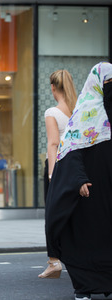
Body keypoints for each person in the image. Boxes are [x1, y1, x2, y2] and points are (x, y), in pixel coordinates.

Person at [46, 62, 112, 300]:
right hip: (88, 191)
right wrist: (79, 180)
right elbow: (71, 150)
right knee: (85, 239)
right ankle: (83, 287)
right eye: (108, 84)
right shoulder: (84, 115)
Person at [39, 69, 77, 279]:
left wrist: (52, 174)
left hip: (58, 166)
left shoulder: (52, 113)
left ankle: (54, 261)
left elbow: (53, 144)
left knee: (52, 214)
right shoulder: (78, 110)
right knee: (74, 214)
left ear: (53, 88)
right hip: (77, 167)